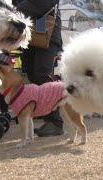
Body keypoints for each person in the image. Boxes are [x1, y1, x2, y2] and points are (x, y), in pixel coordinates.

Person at [14, 0, 64, 137]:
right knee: (33, 75)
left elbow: (44, 3)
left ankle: (55, 122)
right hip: (31, 33)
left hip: (47, 31)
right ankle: (48, 117)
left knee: (42, 75)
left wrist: (15, 11)